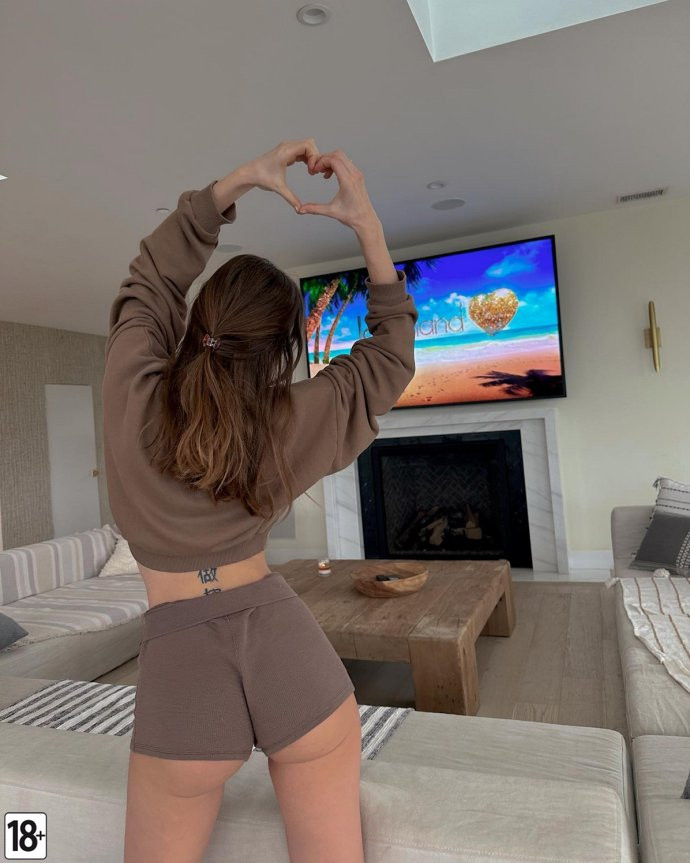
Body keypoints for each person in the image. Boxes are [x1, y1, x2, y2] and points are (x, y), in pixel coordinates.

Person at [102, 137, 418, 863]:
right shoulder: (290, 420)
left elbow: (152, 273)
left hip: (180, 657)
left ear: (196, 323)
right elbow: (390, 355)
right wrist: (366, 225)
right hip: (287, 645)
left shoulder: (132, 386)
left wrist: (239, 181)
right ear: (282, 354)